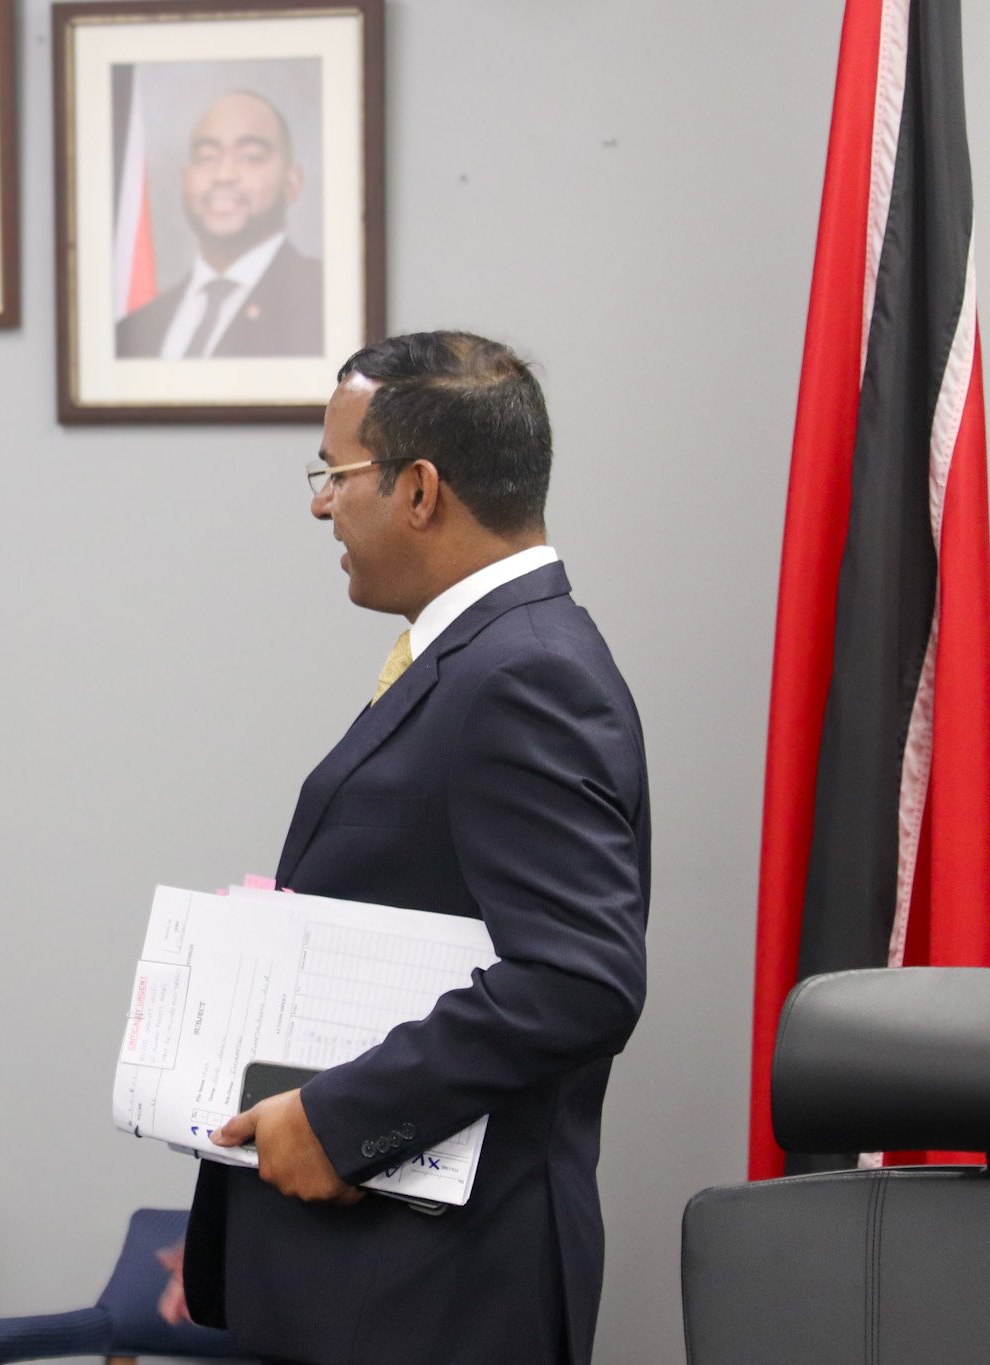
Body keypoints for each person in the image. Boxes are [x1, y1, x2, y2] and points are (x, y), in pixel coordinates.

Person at [168, 333, 650, 1365]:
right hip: (382, 1286)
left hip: (436, 1295)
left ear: (419, 489)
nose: (319, 505)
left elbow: (578, 979)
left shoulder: (524, 675)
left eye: (334, 473)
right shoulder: (480, 656)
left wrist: (342, 1122)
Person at [116, 89, 324, 359]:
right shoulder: (134, 329)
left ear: (292, 182)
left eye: (250, 157)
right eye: (207, 157)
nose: (224, 175)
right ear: (184, 180)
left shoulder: (325, 300)